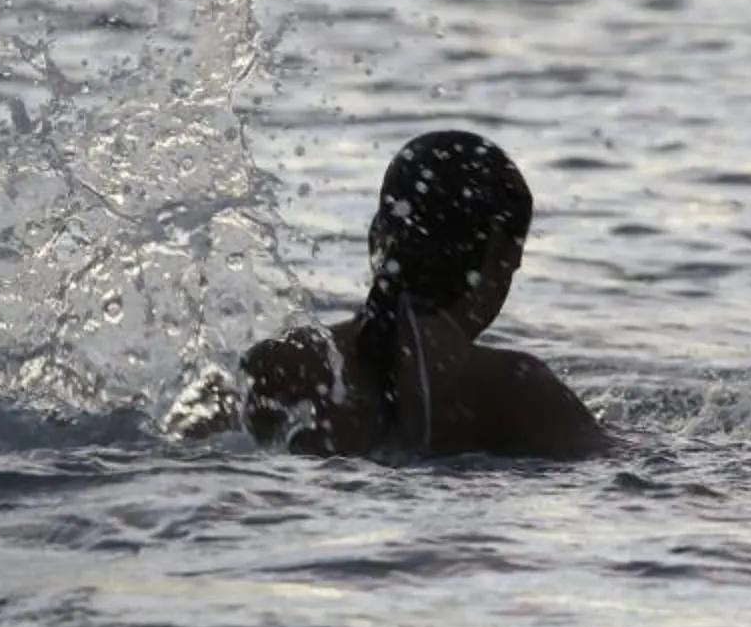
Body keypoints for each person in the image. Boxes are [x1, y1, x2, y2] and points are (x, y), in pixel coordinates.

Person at [222, 129, 606, 460]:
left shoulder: (284, 364)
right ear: (504, 258)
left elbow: (195, 445)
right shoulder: (519, 392)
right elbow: (618, 468)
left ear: (376, 239)